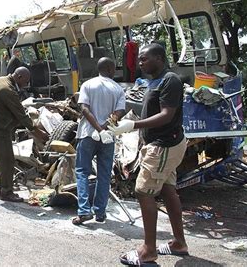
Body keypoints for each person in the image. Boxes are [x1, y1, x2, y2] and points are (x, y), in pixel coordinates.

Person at [109, 43, 188, 266]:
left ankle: (148, 252)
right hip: (160, 144)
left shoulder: (170, 80)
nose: (140, 63)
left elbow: (166, 115)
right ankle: (179, 243)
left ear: (160, 58)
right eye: (140, 59)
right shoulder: (154, 81)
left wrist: (133, 125)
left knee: (143, 192)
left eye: (144, 59)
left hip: (163, 145)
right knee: (167, 188)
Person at [72, 57, 125, 225]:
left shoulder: (88, 85)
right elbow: (119, 112)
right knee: (104, 174)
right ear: (111, 69)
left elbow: (84, 109)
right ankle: (100, 212)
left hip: (88, 134)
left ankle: (84, 211)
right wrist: (104, 128)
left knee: (82, 172)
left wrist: (97, 128)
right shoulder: (118, 89)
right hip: (108, 137)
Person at [0, 66, 48, 202]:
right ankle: (7, 192)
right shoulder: (7, 90)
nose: (26, 85)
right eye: (25, 81)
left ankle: (0, 189)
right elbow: (22, 116)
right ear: (19, 77)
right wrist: (37, 132)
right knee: (7, 162)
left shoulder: (0, 80)